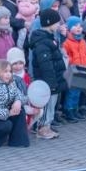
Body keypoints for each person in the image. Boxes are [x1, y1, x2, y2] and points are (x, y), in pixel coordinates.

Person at [27, 8, 67, 138]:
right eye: (57, 22)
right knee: (47, 104)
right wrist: (51, 83)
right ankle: (42, 128)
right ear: (50, 23)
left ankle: (47, 125)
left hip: (53, 79)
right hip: (48, 81)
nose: (59, 25)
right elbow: (46, 65)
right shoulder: (43, 42)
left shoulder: (49, 39)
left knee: (52, 104)